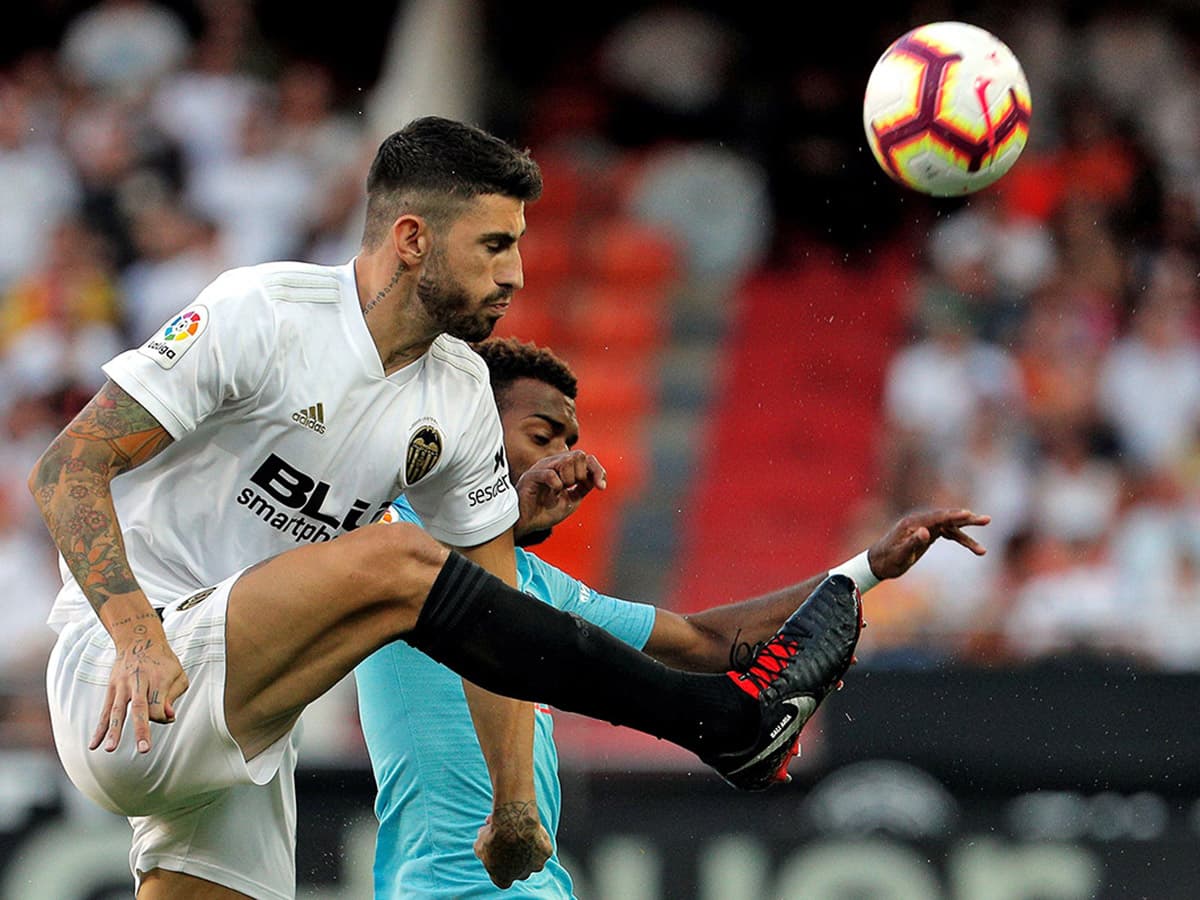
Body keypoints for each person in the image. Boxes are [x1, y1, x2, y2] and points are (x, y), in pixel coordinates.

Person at [32, 115, 869, 899]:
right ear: (411, 240)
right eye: (495, 245)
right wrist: (137, 637)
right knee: (398, 557)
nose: (515, 272)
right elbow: (67, 468)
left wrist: (513, 806)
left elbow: (491, 613)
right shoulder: (264, 313)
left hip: (245, 726)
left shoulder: (460, 391)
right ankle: (716, 721)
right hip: (126, 678)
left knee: (428, 570)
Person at [357, 336, 992, 898]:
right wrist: (502, 514)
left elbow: (704, 639)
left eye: (569, 441)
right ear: (476, 431)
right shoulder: (394, 539)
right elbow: (452, 576)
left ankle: (728, 725)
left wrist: (868, 568)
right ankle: (728, 726)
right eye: (541, 435)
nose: (561, 456)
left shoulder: (540, 585)